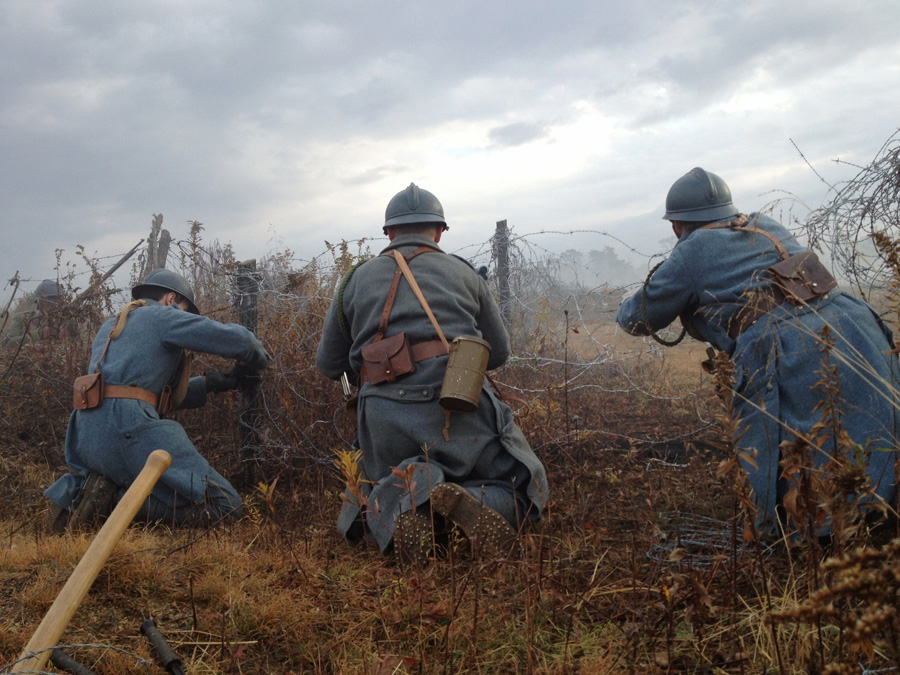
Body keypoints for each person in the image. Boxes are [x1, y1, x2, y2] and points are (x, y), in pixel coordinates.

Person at [617, 167, 898, 538]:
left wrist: (632, 298)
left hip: (792, 345)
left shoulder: (691, 252)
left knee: (795, 439)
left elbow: (636, 319)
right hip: (853, 322)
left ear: (676, 226)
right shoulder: (764, 223)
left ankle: (811, 537)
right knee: (872, 421)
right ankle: (879, 514)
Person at [317, 183, 548, 564]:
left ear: (388, 233)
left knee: (385, 484)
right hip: (457, 404)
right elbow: (499, 352)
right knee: (525, 486)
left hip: (382, 421)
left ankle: (410, 508)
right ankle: (468, 501)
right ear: (439, 231)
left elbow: (328, 364)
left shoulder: (354, 280)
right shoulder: (463, 272)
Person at [45, 268, 269, 529]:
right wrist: (260, 359)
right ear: (171, 299)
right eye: (184, 309)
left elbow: (136, 393)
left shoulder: (112, 324)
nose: (182, 315)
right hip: (127, 428)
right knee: (226, 505)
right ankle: (112, 504)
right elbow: (240, 340)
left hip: (85, 436)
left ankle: (83, 495)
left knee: (140, 480)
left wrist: (211, 384)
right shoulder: (162, 316)